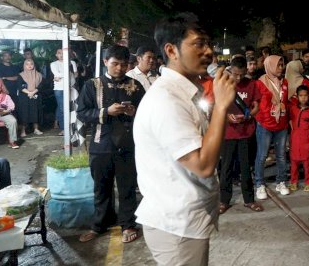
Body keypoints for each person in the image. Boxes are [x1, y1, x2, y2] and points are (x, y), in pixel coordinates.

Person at [134, 13, 236, 266]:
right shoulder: (166, 100)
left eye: (209, 44)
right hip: (177, 226)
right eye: (199, 44)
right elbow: (202, 165)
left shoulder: (186, 92)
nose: (209, 52)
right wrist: (221, 107)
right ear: (172, 50)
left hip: (187, 221)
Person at [77, 45, 145, 244]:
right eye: (115, 64)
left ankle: (128, 224)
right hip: (101, 144)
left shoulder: (135, 85)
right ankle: (100, 224)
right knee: (101, 187)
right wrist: (106, 112)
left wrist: (133, 113)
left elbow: (146, 113)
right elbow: (81, 113)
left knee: (127, 187)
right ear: (105, 62)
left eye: (124, 65)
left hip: (127, 145)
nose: (119, 68)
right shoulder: (92, 85)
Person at [219, 56, 263, 214]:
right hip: (228, 133)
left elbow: (257, 106)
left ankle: (249, 200)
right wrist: (226, 116)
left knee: (245, 168)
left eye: (242, 74)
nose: (238, 78)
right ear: (230, 70)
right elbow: (216, 106)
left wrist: (249, 115)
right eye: (236, 74)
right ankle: (223, 200)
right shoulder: (223, 85)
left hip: (246, 132)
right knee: (226, 168)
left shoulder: (251, 84)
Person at [254, 55, 290, 199]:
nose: (281, 68)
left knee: (281, 156)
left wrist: (283, 108)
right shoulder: (261, 82)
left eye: (282, 65)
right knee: (262, 155)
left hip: (281, 124)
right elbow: (261, 106)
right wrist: (274, 111)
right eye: (278, 65)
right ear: (270, 66)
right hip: (266, 124)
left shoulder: (285, 82)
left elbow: (285, 101)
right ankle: (259, 184)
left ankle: (281, 181)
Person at [289, 85, 309, 192]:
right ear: (297, 96)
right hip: (294, 139)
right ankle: (294, 182)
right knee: (294, 162)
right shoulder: (293, 109)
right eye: (301, 95)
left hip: (305, 139)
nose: (303, 98)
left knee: (306, 162)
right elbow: (289, 118)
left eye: (305, 95)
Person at [50, 48, 77, 136]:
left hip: (71, 87)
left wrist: (60, 76)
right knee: (63, 109)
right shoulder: (53, 64)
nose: (61, 54)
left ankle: (72, 127)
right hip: (59, 88)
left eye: (63, 53)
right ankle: (63, 129)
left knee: (71, 107)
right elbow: (56, 74)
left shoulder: (72, 63)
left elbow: (76, 74)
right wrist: (68, 74)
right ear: (56, 55)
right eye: (59, 53)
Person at [16, 59, 44, 137]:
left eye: (31, 64)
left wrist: (33, 92)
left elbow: (41, 86)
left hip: (35, 95)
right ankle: (23, 131)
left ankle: (36, 129)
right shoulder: (21, 75)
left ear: (34, 65)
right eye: (27, 64)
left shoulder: (39, 75)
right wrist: (29, 93)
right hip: (24, 96)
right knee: (24, 113)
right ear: (24, 66)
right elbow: (20, 86)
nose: (29, 66)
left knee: (36, 111)